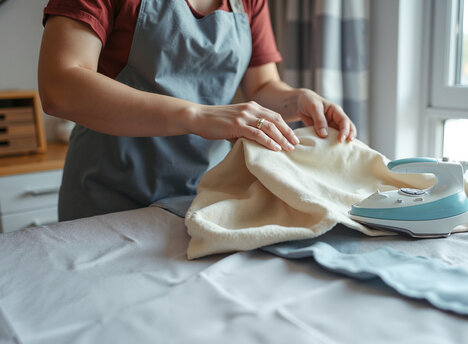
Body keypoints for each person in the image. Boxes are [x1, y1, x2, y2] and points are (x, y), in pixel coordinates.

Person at [38, 0, 357, 221]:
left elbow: (261, 87)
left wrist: (296, 99)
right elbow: (60, 86)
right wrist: (197, 116)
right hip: (108, 196)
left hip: (206, 197)